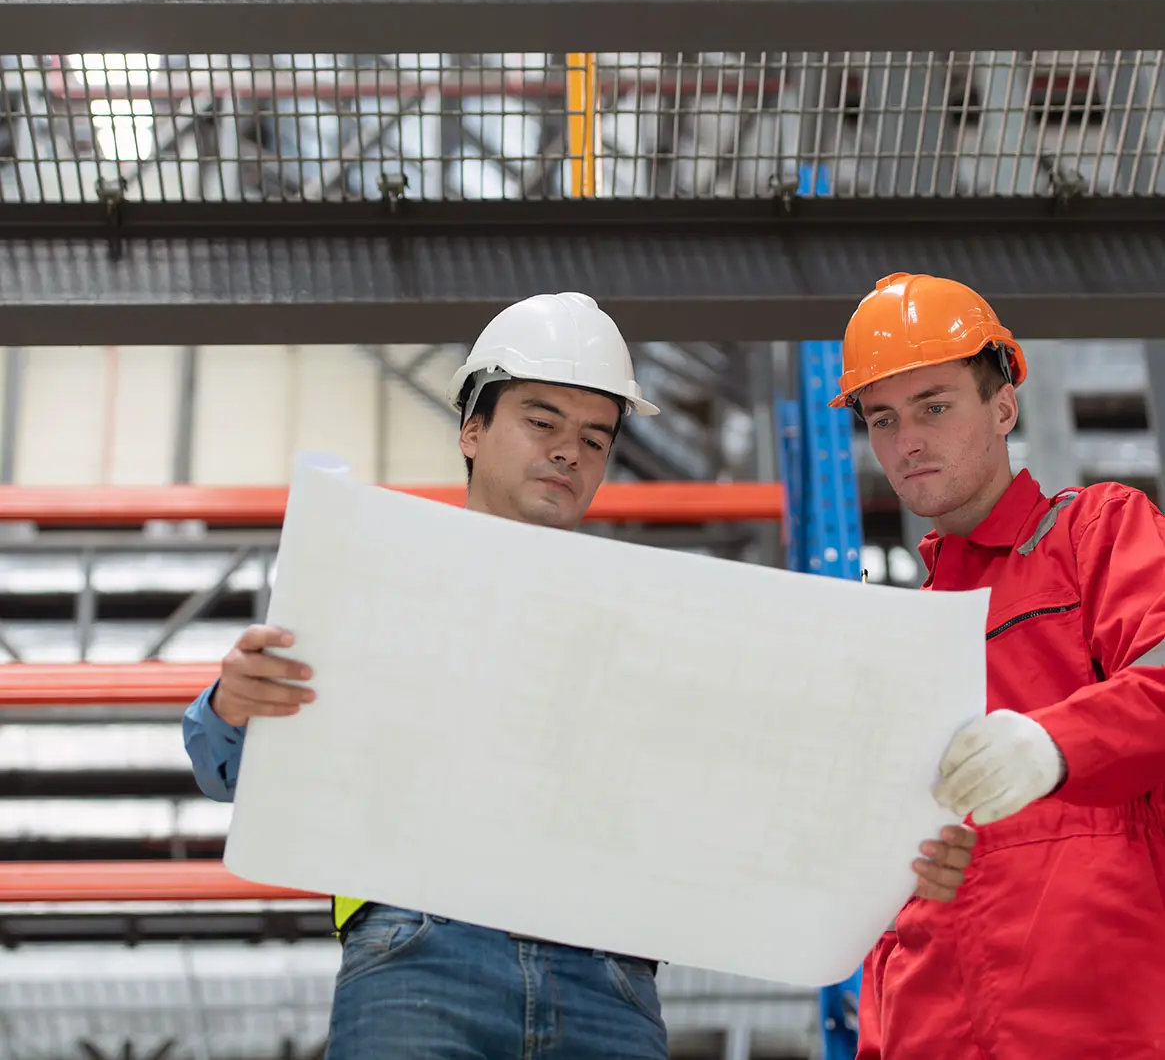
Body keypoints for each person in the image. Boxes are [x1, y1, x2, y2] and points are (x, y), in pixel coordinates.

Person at [183, 291, 976, 1060]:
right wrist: (233, 703)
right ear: (471, 427)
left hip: (608, 978)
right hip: (420, 950)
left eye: (595, 439)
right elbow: (228, 768)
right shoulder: (377, 579)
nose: (569, 450)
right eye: (541, 421)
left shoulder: (658, 630)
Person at [830, 272, 1165, 1059]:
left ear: (1003, 406)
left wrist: (1053, 745)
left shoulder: (1095, 534)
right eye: (883, 418)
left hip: (1093, 1017)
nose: (905, 440)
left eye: (933, 406)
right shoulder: (899, 637)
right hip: (925, 1025)